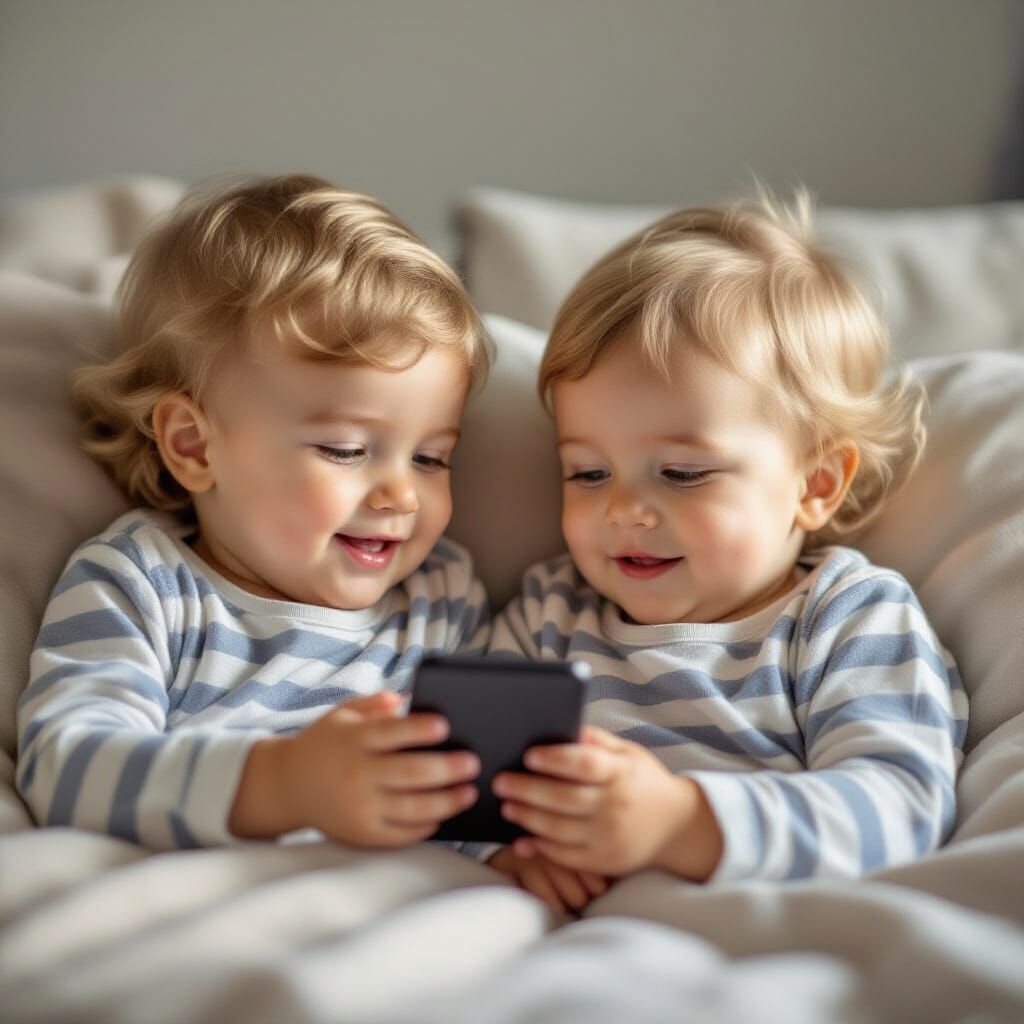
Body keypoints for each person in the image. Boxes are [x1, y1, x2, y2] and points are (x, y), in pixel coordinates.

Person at [486, 191, 968, 909]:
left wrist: (682, 823)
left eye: (683, 473)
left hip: (757, 923)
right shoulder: (550, 614)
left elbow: (900, 806)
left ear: (816, 481)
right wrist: (500, 849)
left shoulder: (844, 616)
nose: (622, 509)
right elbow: (460, 776)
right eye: (588, 472)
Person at [16, 174, 495, 853]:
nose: (403, 497)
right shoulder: (143, 583)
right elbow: (65, 771)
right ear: (193, 445)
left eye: (431, 458)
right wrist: (281, 784)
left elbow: (485, 790)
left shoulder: (441, 595)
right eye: (346, 449)